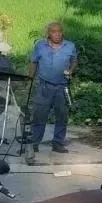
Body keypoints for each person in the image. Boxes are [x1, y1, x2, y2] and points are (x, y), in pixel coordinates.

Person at [27, 22, 77, 164]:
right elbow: (33, 62)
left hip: (62, 86)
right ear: (48, 33)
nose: (57, 34)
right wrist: (30, 78)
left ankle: (58, 143)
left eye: (59, 31)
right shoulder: (40, 45)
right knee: (39, 115)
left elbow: (74, 61)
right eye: (54, 32)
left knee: (62, 116)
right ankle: (34, 142)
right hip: (44, 86)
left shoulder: (70, 46)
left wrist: (71, 70)